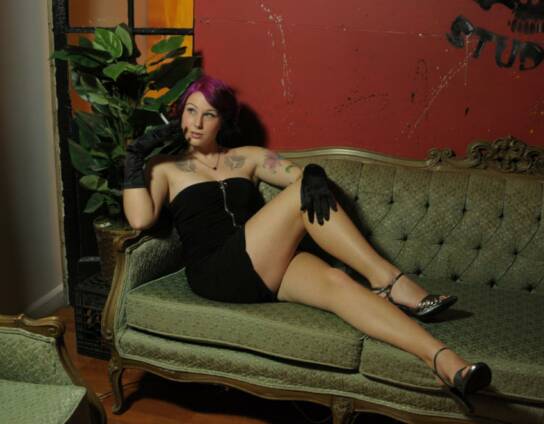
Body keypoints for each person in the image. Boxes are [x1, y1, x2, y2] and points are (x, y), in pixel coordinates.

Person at [122, 75, 491, 412]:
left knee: (339, 282)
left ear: (223, 121)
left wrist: (313, 174)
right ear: (179, 115)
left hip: (263, 263)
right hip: (216, 272)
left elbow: (300, 178)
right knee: (302, 197)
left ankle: (445, 362)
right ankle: (390, 280)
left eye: (209, 114)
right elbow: (140, 219)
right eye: (191, 111)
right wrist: (136, 157)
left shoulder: (248, 157)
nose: (198, 123)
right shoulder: (164, 168)